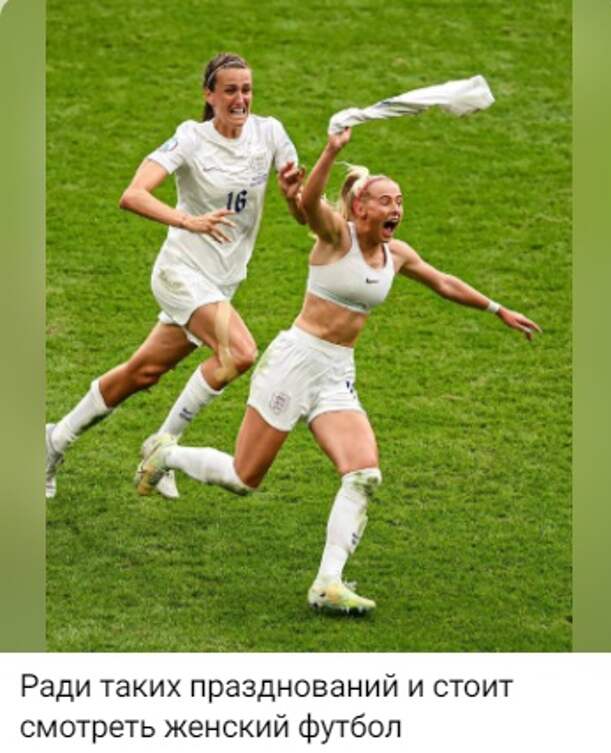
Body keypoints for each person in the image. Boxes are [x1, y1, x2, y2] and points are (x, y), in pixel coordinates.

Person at [135, 126, 542, 614]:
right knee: (245, 478)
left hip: (336, 372)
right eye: (386, 200)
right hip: (294, 362)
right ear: (361, 208)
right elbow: (308, 203)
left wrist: (497, 308)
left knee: (363, 474)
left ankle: (327, 583)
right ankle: (166, 454)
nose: (396, 208)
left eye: (400, 201)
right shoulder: (335, 237)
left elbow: (443, 282)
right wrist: (331, 150)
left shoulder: (395, 254)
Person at [45, 52, 306, 500]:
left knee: (142, 373)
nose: (240, 99)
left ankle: (53, 442)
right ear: (209, 95)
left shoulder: (270, 133)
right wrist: (189, 221)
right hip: (180, 273)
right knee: (240, 352)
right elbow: (133, 195)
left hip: (221, 283)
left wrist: (293, 195)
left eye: (246, 90)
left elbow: (302, 215)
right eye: (230, 90)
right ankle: (162, 447)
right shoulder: (191, 138)